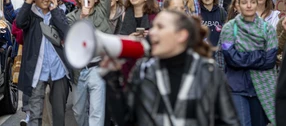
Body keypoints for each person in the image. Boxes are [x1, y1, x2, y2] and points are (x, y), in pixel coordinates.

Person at [102, 10, 241, 126]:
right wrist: (112, 78)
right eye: (153, 26)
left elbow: (228, 121)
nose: (152, 32)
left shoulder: (208, 72)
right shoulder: (143, 70)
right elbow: (127, 120)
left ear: (181, 35)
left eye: (160, 27)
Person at [216, 0, 278, 126]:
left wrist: (243, 56)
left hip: (261, 87)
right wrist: (260, 54)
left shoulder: (268, 29)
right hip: (236, 87)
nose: (248, 5)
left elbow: (270, 61)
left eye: (252, 2)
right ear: (237, 6)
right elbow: (231, 59)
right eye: (244, 2)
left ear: (257, 4)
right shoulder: (229, 28)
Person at [16, 0, 71, 126]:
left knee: (59, 113)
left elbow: (66, 32)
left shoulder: (57, 13)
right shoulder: (31, 14)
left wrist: (55, 12)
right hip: (37, 71)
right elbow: (19, 23)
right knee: (35, 114)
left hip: (58, 69)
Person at [67, 0, 113, 126]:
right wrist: (82, 18)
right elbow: (71, 39)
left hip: (97, 68)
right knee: (79, 112)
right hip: (79, 71)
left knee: (96, 111)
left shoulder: (102, 11)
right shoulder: (71, 17)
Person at [119, 0, 159, 80]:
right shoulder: (125, 14)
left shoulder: (156, 17)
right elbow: (120, 39)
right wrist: (129, 39)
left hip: (149, 64)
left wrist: (151, 35)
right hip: (129, 65)